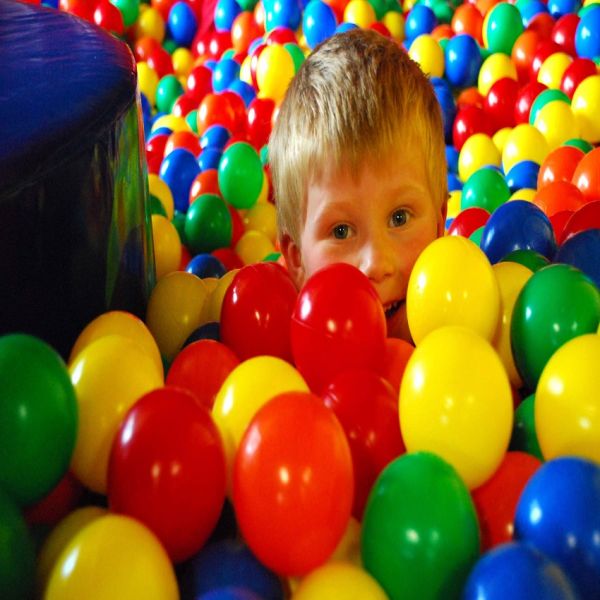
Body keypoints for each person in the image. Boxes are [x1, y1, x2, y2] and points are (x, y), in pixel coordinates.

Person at [269, 28, 448, 341]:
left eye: (400, 218)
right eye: (341, 231)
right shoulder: (279, 367)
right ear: (296, 258)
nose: (376, 263)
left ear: (439, 223)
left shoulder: (467, 328)